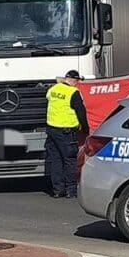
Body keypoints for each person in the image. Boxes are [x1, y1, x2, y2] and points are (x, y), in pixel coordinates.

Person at [45, 70, 90, 198]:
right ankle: (71, 190)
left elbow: (49, 100)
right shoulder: (73, 93)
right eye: (77, 81)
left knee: (56, 160)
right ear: (75, 80)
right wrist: (86, 129)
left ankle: (58, 190)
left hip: (52, 130)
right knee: (69, 160)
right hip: (66, 132)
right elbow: (81, 111)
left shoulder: (53, 89)